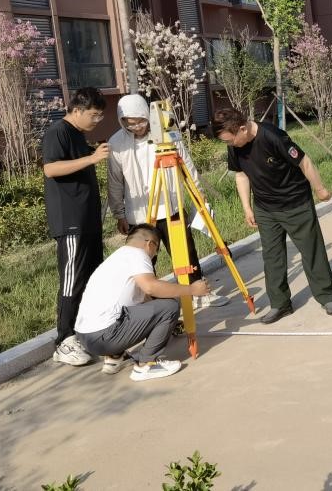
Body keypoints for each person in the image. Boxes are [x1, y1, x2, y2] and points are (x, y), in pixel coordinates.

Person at [213, 108, 332, 323]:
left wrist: (320, 189)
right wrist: (247, 208)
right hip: (265, 208)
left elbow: (304, 161)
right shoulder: (235, 146)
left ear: (242, 129)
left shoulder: (273, 137)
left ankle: (328, 296)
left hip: (295, 203)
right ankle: (280, 304)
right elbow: (241, 175)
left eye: (230, 140)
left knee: (311, 251)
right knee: (272, 257)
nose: (230, 145)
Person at [107, 94, 228, 311]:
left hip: (171, 205)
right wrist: (119, 213)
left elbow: (186, 164)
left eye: (140, 121)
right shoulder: (116, 143)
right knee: (143, 261)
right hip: (139, 213)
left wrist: (198, 194)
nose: (136, 127)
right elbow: (114, 181)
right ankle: (149, 304)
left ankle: (198, 292)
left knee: (186, 253)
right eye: (130, 123)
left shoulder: (166, 132)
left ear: (147, 115)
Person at [75, 225, 208, 381]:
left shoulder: (117, 258)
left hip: (86, 337)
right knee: (170, 307)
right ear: (150, 244)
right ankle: (146, 365)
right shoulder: (138, 254)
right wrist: (191, 289)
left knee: (149, 308)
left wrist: (164, 323)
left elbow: (142, 299)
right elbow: (151, 287)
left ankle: (115, 356)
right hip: (105, 335)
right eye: (156, 250)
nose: (154, 255)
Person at [43, 87, 109, 366]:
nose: (97, 121)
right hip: (70, 221)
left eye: (100, 116)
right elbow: (50, 169)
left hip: (88, 220)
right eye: (94, 115)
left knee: (92, 278)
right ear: (77, 110)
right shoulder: (58, 132)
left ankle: (84, 331)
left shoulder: (79, 135)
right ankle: (64, 340)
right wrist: (92, 158)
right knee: (72, 279)